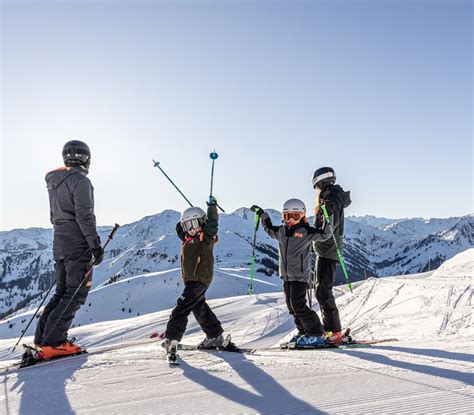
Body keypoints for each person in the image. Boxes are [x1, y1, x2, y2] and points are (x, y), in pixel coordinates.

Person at [33, 140, 104, 359]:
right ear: (86, 159)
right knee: (75, 293)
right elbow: (85, 216)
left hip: (59, 243)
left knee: (62, 292)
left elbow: (54, 217)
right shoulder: (80, 181)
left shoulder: (55, 182)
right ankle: (54, 342)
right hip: (77, 245)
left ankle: (43, 340)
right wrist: (95, 245)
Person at [250, 199, 331, 347]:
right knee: (291, 307)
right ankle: (303, 332)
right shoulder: (281, 231)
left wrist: (326, 215)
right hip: (286, 276)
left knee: (298, 305)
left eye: (295, 216)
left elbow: (325, 235)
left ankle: (316, 333)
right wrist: (263, 215)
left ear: (302, 215)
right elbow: (268, 229)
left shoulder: (306, 231)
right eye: (287, 216)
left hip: (300, 276)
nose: (291, 220)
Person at [163, 198, 227, 357]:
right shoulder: (187, 239)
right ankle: (215, 336)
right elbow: (179, 229)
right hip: (192, 280)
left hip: (200, 278)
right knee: (199, 308)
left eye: (195, 224)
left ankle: (171, 339)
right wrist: (183, 220)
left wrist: (211, 209)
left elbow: (212, 225)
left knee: (181, 307)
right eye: (187, 226)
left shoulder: (205, 238)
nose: (191, 229)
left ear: (202, 223)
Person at [311, 167, 351, 344]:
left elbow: (327, 230)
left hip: (328, 250)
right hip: (327, 250)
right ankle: (332, 331)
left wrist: (312, 236)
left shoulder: (330, 199)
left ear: (320, 183)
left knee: (323, 292)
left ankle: (333, 332)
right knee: (322, 291)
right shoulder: (334, 197)